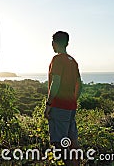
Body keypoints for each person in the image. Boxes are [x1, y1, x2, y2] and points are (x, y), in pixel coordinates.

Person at [44, 31, 82, 166]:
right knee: (72, 142)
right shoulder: (73, 61)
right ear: (67, 43)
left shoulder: (57, 59)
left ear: (54, 43)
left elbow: (56, 83)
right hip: (71, 108)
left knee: (60, 145)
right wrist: (73, 100)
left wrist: (48, 104)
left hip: (59, 107)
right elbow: (80, 85)